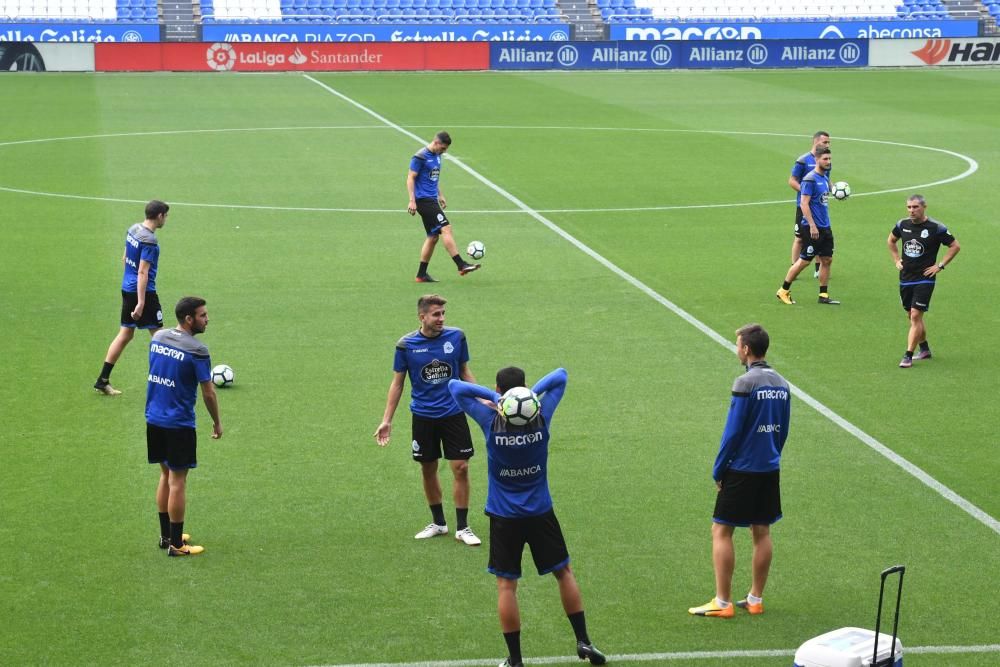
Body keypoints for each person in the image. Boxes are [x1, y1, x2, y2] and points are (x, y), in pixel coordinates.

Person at [448, 367, 607, 667]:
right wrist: (531, 395)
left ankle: (516, 660)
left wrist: (495, 398)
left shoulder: (490, 420)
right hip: (541, 512)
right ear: (525, 390)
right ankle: (584, 641)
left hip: (504, 516)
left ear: (501, 390)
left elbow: (456, 388)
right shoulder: (542, 415)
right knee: (564, 573)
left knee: (507, 586)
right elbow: (560, 375)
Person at [689, 324, 790, 618]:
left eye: (737, 345)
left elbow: (732, 433)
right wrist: (772, 455)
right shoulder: (783, 384)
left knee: (721, 530)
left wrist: (719, 470)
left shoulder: (745, 384)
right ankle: (755, 599)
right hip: (769, 468)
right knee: (762, 530)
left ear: (746, 349)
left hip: (743, 469)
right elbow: (782, 431)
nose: (736, 349)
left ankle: (722, 602)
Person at [374, 294, 482, 546]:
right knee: (428, 467)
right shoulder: (405, 345)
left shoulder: (457, 337)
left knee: (462, 467)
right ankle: (439, 523)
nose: (442, 318)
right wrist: (387, 420)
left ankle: (463, 527)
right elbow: (397, 383)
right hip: (423, 416)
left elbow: (465, 371)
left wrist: (482, 399)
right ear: (422, 317)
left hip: (453, 413)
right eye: (436, 314)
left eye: (443, 313)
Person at [146, 296, 222, 557]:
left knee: (165, 476)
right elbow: (209, 393)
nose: (207, 319)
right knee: (178, 481)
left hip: (153, 417)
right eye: (202, 315)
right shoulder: (198, 350)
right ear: (188, 319)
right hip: (178, 423)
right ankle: (177, 545)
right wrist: (217, 421)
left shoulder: (157, 339)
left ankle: (166, 535)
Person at [94, 200, 170, 396]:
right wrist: (142, 302)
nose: (166, 219)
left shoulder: (134, 229)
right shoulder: (150, 241)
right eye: (166, 216)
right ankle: (165, 383)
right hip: (143, 293)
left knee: (125, 334)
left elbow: (125, 257)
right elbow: (143, 273)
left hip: (127, 288)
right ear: (160, 216)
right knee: (161, 338)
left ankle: (102, 380)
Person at [887, 195, 960, 368]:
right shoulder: (902, 225)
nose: (911, 210)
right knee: (912, 317)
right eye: (909, 207)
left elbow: (955, 246)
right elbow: (891, 240)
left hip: (925, 278)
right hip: (906, 277)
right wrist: (896, 259)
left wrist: (940, 266)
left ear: (924, 207)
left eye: (915, 207)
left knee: (915, 314)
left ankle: (908, 355)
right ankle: (925, 349)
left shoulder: (936, 228)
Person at [407, 131, 481, 283]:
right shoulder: (420, 157)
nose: (444, 151)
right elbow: (410, 178)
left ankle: (421, 274)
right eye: (443, 148)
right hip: (423, 200)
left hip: (431, 199)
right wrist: (412, 200)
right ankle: (461, 264)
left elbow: (432, 178)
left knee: (433, 237)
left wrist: (440, 194)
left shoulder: (437, 156)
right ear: (436, 142)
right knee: (446, 228)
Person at [776, 147, 840, 306]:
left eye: (830, 159)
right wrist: (812, 225)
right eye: (825, 159)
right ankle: (783, 290)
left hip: (825, 227)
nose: (828, 162)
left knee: (827, 259)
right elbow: (804, 204)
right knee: (804, 261)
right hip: (813, 227)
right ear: (817, 160)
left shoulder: (824, 178)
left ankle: (823, 295)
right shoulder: (810, 179)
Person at [788, 131, 830, 279]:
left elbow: (825, 180)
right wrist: (807, 191)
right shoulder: (803, 160)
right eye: (825, 142)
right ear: (816, 142)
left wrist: (835, 189)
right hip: (804, 205)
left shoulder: (826, 161)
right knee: (799, 238)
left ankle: (818, 269)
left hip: (819, 207)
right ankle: (794, 267)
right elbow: (792, 180)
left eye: (828, 143)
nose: (827, 145)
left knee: (820, 236)